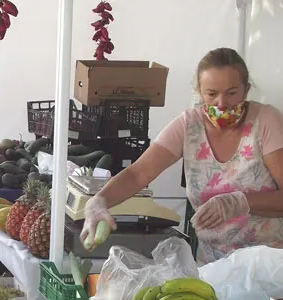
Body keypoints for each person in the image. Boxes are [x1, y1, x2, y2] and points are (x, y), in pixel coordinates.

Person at [81, 47, 283, 264]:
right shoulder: (189, 126)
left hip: (270, 263)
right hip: (214, 265)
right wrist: (99, 201)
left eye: (231, 93)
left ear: (246, 90)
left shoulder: (265, 121)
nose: (221, 103)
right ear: (199, 92)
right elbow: (139, 173)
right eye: (212, 94)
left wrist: (239, 202)